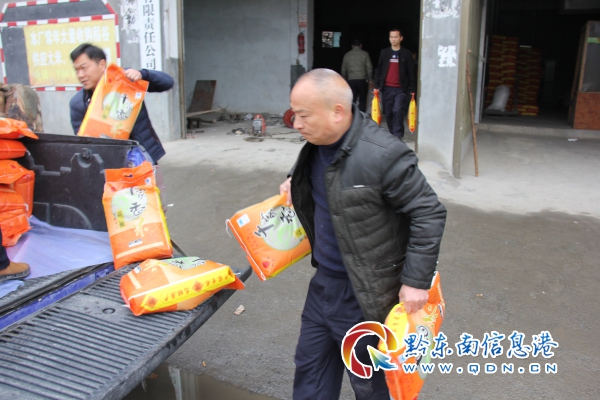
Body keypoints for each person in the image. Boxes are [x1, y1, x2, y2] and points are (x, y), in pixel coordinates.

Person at [280, 69, 446, 400]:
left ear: (337, 112)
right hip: (323, 285)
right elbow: (325, 177)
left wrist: (416, 281)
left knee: (371, 386)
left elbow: (428, 212)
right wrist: (293, 181)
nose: (296, 124)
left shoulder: (383, 153)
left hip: (367, 296)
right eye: (294, 114)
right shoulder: (317, 143)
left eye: (303, 115)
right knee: (310, 374)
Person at [69, 43, 174, 164]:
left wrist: (142, 74)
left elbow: (167, 82)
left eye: (84, 68)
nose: (80, 75)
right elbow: (82, 144)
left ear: (102, 64)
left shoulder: (125, 81)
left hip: (142, 157)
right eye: (76, 70)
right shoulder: (77, 104)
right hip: (108, 164)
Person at [373, 28, 416, 139]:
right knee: (388, 112)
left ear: (401, 38)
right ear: (389, 38)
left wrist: (412, 88)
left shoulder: (406, 53)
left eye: (396, 37)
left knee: (397, 110)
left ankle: (398, 135)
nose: (393, 39)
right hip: (386, 88)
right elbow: (379, 69)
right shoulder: (384, 52)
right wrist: (376, 85)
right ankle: (392, 134)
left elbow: (411, 72)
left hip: (400, 88)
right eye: (391, 37)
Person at [341, 39, 373, 112]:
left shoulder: (347, 55)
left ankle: (353, 115)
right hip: (362, 80)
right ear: (361, 45)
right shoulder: (365, 54)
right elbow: (369, 68)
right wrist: (370, 78)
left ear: (352, 45)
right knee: (363, 99)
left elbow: (343, 70)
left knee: (352, 100)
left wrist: (344, 79)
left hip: (351, 80)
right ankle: (362, 115)